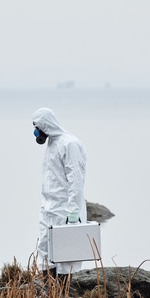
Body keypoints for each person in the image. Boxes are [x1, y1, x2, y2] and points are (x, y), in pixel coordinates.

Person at [31, 107, 87, 278]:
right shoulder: (50, 145)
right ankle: (50, 297)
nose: (36, 131)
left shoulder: (69, 143)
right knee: (44, 250)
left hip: (65, 208)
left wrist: (72, 210)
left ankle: (64, 296)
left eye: (38, 126)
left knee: (66, 255)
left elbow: (75, 179)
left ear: (46, 124)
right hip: (48, 208)